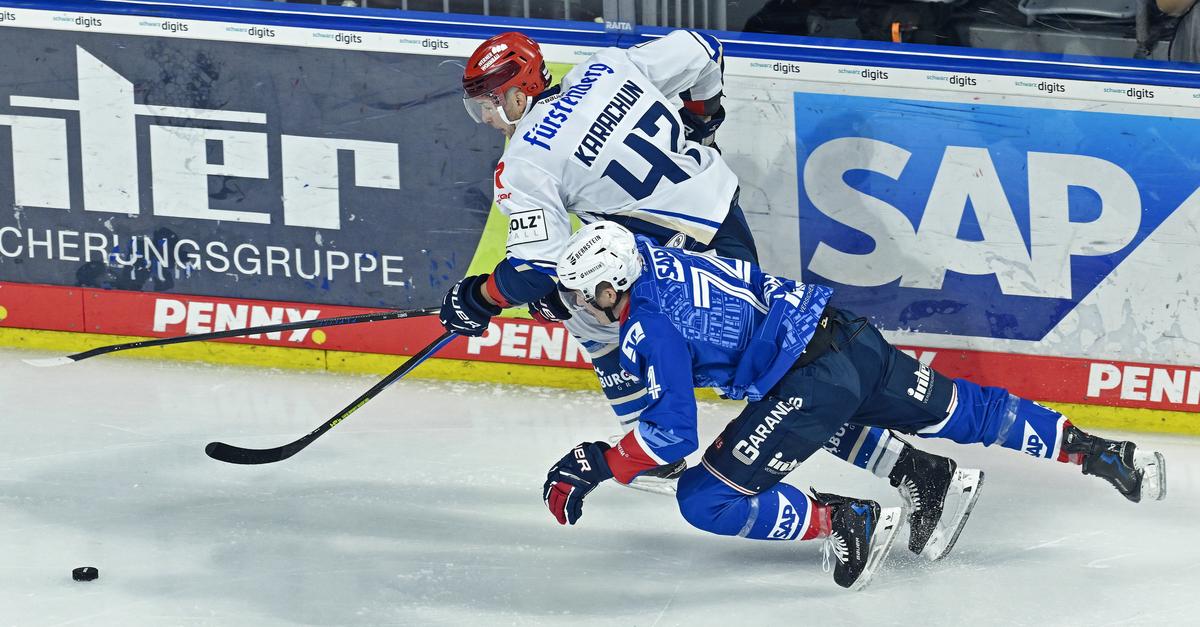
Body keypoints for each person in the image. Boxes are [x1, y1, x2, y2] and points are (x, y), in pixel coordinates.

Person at [438, 29, 982, 558]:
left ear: (520, 90)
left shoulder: (526, 163)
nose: (487, 118)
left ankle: (913, 471)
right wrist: (701, 117)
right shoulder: (606, 67)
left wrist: (479, 298)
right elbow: (704, 49)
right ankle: (916, 470)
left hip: (680, 253)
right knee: (777, 378)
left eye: (491, 102)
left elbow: (534, 266)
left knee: (773, 383)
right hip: (723, 221)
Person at [541, 221, 1167, 590]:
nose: (574, 306)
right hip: (851, 338)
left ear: (610, 285)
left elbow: (671, 438)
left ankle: (845, 520)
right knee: (963, 410)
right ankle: (1096, 452)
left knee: (703, 498)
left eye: (578, 294)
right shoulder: (646, 252)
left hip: (811, 380)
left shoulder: (650, 326)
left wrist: (597, 461)